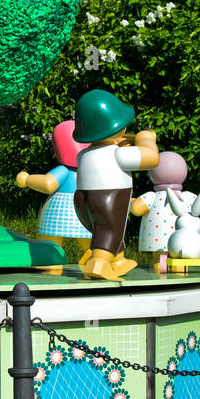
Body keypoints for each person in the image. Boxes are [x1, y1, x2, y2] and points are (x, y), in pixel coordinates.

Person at [71, 89, 160, 280]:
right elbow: (151, 158)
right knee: (110, 228)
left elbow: (108, 145)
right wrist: (146, 139)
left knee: (103, 228)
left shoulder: (84, 154)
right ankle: (99, 263)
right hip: (109, 198)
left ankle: (117, 260)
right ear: (114, 128)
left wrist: (122, 141)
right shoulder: (118, 154)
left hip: (82, 200)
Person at [15, 119, 92, 275]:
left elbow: (48, 183)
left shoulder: (63, 170)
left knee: (51, 241)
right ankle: (93, 257)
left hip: (59, 210)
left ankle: (53, 264)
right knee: (89, 240)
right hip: (84, 208)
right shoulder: (89, 170)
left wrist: (27, 179)